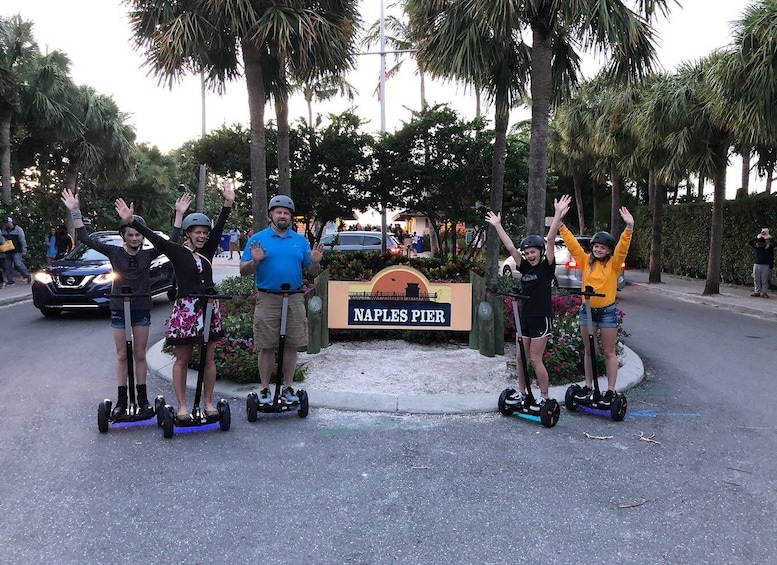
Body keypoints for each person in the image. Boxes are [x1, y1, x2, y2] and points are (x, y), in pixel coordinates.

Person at [62, 188, 192, 417]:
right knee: (122, 354)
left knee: (140, 354)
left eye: (137, 235)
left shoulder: (147, 254)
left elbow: (170, 242)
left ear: (142, 236)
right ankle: (122, 399)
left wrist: (179, 215)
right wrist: (75, 211)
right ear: (123, 235)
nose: (134, 238)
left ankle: (142, 399)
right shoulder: (113, 252)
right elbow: (84, 238)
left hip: (141, 307)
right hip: (119, 307)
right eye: (130, 235)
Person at [116, 180, 234, 423]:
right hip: (187, 311)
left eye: (204, 232)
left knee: (208, 358)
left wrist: (227, 203)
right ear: (189, 234)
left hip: (209, 307)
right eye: (197, 232)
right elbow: (154, 238)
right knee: (182, 359)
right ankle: (182, 406)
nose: (202, 236)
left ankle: (208, 402)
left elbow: (221, 226)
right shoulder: (177, 251)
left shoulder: (208, 250)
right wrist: (131, 221)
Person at [239, 195, 324, 405]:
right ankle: (265, 389)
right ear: (271, 214)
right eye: (279, 212)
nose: (283, 215)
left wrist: (314, 262)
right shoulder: (258, 239)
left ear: (291, 217)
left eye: (286, 213)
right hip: (268, 297)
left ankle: (287, 387)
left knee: (291, 345)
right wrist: (255, 262)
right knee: (266, 345)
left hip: (294, 297)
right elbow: (243, 271)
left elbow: (312, 271)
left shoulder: (300, 240)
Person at [486, 195, 570, 405]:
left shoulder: (546, 266)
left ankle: (544, 396)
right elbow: (511, 248)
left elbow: (550, 239)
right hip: (524, 317)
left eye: (532, 252)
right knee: (520, 359)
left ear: (540, 252)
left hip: (540, 318)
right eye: (527, 253)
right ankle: (523, 392)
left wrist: (558, 213)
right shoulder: (523, 266)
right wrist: (497, 225)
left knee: (535, 359)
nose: (529, 255)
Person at [558, 202, 634, 405]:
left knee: (609, 351)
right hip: (587, 311)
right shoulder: (585, 261)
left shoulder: (614, 264)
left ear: (608, 250)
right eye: (596, 247)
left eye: (603, 247)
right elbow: (573, 245)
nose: (599, 250)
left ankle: (610, 390)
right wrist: (560, 224)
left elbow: (623, 249)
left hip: (607, 312)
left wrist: (628, 228)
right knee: (589, 350)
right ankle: (588, 385)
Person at [1, 216, 32, 285]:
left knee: (18, 264)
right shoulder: (3, 230)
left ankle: (27, 275)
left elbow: (22, 240)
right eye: (5, 223)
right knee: (8, 266)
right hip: (7, 250)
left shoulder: (18, 229)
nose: (6, 224)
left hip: (16, 250)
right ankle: (10, 281)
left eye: (7, 223)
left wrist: (24, 249)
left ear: (11, 222)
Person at [749, 228, 775, 298]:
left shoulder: (768, 248)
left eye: (762, 242)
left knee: (764, 280)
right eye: (759, 242)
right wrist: (758, 237)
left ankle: (764, 292)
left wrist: (769, 237)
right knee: (756, 279)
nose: (760, 244)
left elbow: (775, 244)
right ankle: (757, 291)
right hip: (757, 264)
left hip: (765, 265)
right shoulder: (757, 247)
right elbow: (750, 242)